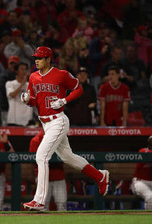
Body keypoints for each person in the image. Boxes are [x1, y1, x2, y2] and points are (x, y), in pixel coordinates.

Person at [21, 46, 110, 210]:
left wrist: (64, 101)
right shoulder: (33, 77)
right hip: (45, 122)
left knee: (41, 156)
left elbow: (79, 88)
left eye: (40, 58)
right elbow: (34, 100)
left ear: (49, 59)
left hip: (58, 120)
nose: (37, 60)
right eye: (36, 58)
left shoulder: (60, 74)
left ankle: (39, 200)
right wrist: (27, 99)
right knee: (67, 157)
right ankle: (99, 176)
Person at [29, 129, 67, 211]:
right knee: (42, 206)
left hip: (58, 176)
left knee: (62, 204)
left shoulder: (58, 138)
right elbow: (33, 162)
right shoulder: (36, 140)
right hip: (43, 178)